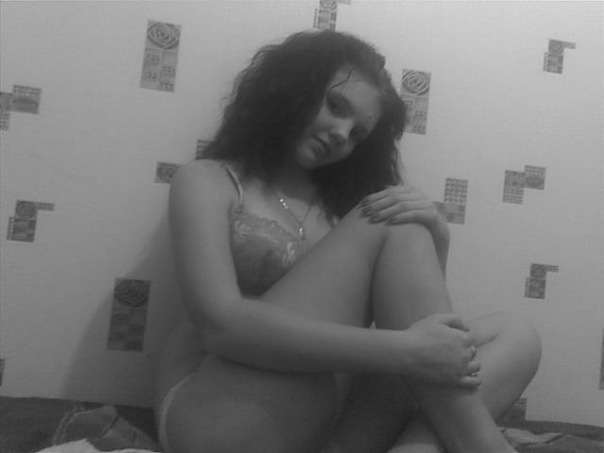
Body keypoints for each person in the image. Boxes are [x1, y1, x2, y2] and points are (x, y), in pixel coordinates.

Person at [154, 29, 541, 453]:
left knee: (514, 335)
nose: (342, 134)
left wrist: (438, 238)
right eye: (335, 107)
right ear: (292, 88)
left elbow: (417, 321)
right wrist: (404, 351)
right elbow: (221, 327)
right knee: (392, 222)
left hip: (326, 422)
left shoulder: (346, 212)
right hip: (219, 418)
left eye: (357, 134)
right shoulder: (209, 181)